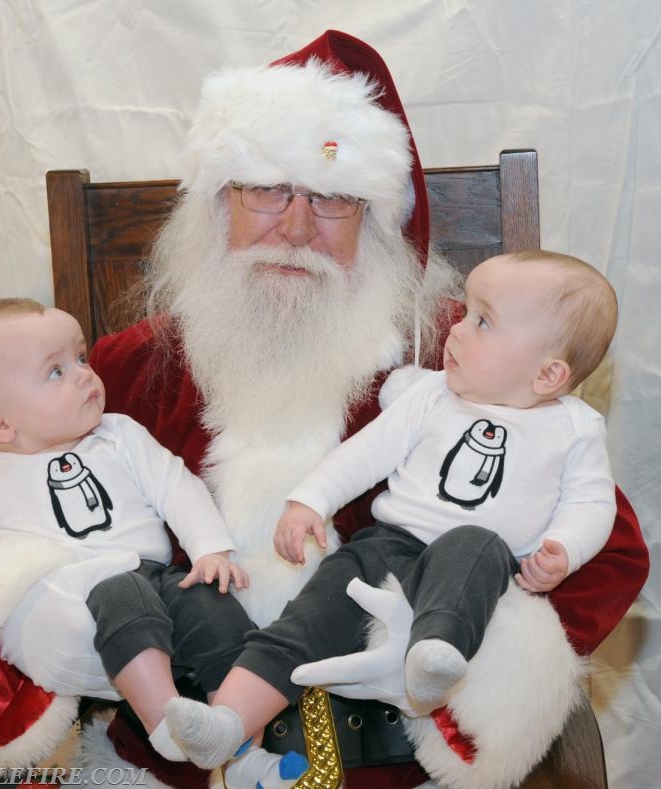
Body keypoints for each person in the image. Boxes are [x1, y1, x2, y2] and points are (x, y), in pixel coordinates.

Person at [0, 30, 648, 789]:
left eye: (333, 198)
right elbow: (6, 512)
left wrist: (473, 635)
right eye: (266, 188)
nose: (293, 226)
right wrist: (42, 618)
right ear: (218, 202)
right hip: (176, 761)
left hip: (397, 763)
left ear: (379, 220)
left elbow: (606, 551)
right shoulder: (119, 373)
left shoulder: (457, 361)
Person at [162, 249, 619, 774]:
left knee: (475, 541)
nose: (457, 330)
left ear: (548, 374)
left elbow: (591, 503)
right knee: (306, 621)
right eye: (468, 312)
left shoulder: (575, 428)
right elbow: (365, 453)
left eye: (483, 322)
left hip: (477, 565)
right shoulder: (430, 397)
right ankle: (229, 721)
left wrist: (564, 549)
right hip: (388, 544)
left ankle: (433, 656)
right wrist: (310, 500)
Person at [0, 297, 256, 765]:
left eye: (81, 358)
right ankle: (165, 724)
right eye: (55, 371)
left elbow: (176, 486)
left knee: (210, 603)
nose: (84, 374)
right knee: (124, 597)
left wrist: (211, 548)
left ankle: (234, 722)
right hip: (73, 596)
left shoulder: (121, 435)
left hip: (151, 573)